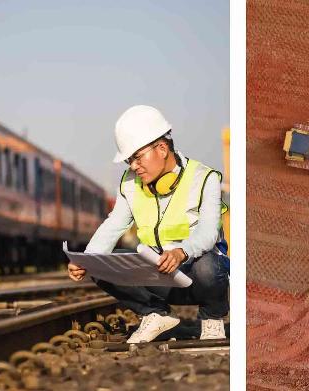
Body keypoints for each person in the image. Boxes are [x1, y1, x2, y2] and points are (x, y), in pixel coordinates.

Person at [68, 105, 229, 344]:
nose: (133, 166)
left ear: (162, 148)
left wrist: (180, 252)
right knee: (102, 263)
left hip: (198, 275)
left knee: (208, 265)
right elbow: (114, 225)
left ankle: (212, 319)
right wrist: (86, 260)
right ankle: (155, 314)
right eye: (129, 160)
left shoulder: (205, 178)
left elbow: (207, 232)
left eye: (137, 157)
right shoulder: (130, 184)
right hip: (159, 277)